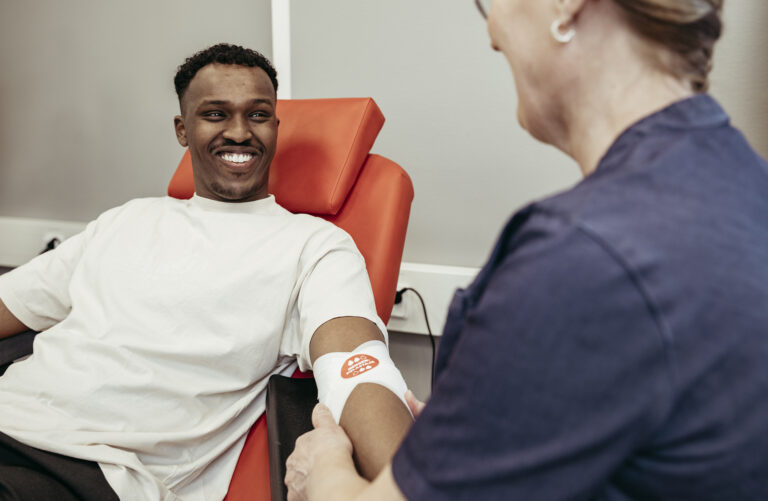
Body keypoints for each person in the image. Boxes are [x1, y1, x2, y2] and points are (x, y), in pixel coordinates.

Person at [285, 0, 768, 499]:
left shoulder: (582, 256)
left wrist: (324, 469)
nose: (492, 29)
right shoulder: (744, 187)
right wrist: (478, 434)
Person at [0, 44, 412, 500]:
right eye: (215, 114)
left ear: (276, 127)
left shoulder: (314, 246)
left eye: (258, 115)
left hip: (86, 471)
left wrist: (414, 487)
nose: (239, 132)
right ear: (183, 129)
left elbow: (357, 369)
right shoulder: (126, 220)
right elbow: (12, 302)